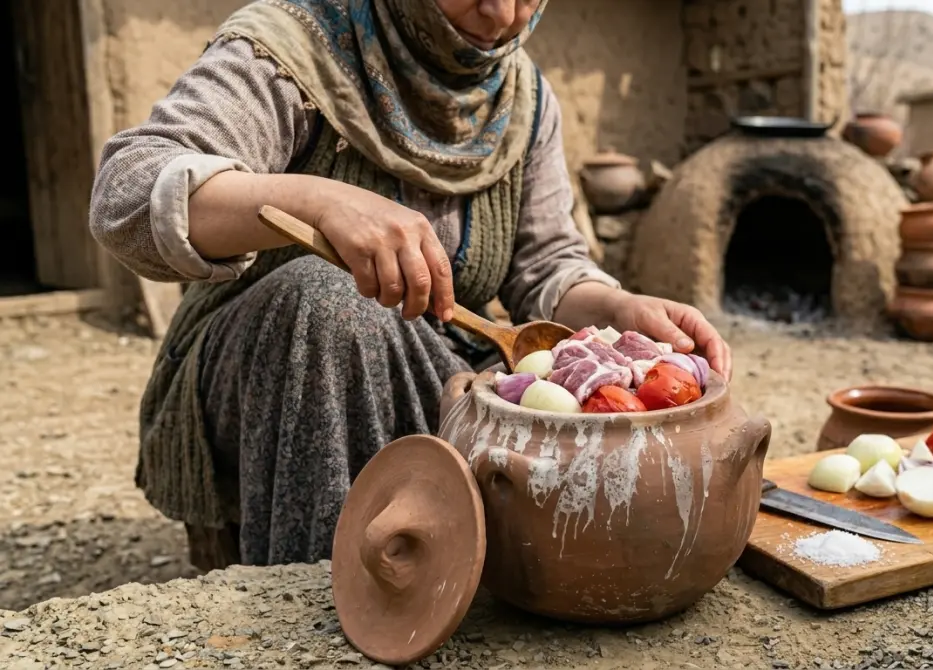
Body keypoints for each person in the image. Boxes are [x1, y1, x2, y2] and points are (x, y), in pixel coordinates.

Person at [89, 0, 733, 566]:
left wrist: (617, 310)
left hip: (427, 358)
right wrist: (318, 201)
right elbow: (126, 193)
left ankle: (453, 557)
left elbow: (546, 267)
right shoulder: (290, 50)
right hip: (261, 373)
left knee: (516, 392)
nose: (502, 15)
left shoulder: (524, 102)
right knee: (329, 300)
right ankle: (330, 595)